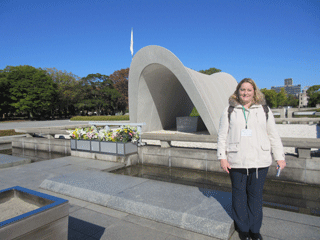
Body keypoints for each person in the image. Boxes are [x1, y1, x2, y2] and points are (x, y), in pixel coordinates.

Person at [217, 78, 286, 240]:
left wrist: (280, 157)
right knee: (239, 196)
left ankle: (255, 230)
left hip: (259, 161)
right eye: (242, 89)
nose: (245, 93)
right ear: (237, 91)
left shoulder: (263, 110)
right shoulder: (229, 110)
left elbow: (273, 135)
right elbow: (222, 136)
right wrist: (222, 157)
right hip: (236, 160)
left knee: (255, 196)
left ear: (254, 91)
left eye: (249, 90)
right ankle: (243, 229)